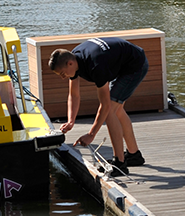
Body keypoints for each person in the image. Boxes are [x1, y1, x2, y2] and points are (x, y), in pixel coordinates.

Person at [48, 37, 149, 175]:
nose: (63, 77)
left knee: (110, 112)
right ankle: (134, 155)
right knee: (117, 110)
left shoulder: (96, 65)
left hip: (135, 65)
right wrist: (71, 120)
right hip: (121, 61)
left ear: (70, 63)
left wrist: (91, 134)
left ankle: (120, 164)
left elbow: (105, 105)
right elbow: (74, 95)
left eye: (62, 73)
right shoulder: (74, 58)